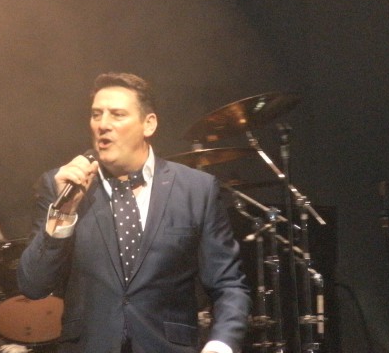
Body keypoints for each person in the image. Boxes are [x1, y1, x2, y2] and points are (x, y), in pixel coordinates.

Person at [17, 72, 251, 353]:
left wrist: (221, 344)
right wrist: (64, 211)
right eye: (96, 114)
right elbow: (33, 285)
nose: (103, 124)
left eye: (117, 115)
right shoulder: (61, 185)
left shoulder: (196, 189)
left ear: (148, 124)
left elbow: (228, 284)